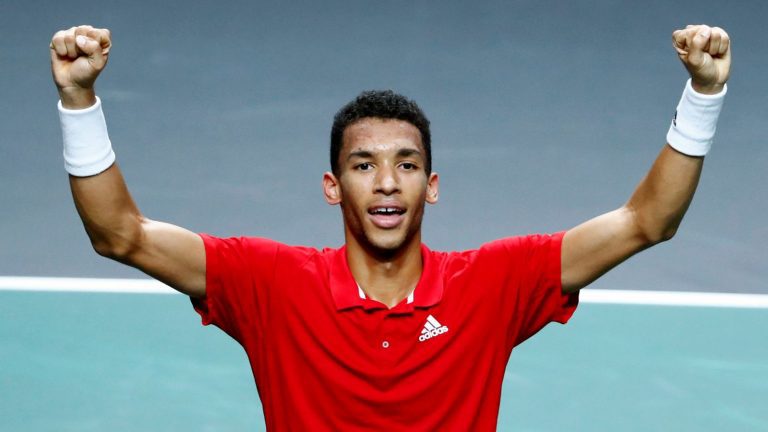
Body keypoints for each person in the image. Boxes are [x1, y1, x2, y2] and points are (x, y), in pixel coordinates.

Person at [50, 23, 730, 431]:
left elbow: (647, 222)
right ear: (332, 186)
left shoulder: (494, 283)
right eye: (363, 164)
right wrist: (78, 100)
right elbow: (121, 235)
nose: (385, 182)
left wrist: (702, 96)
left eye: (406, 165)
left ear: (430, 187)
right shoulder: (272, 283)